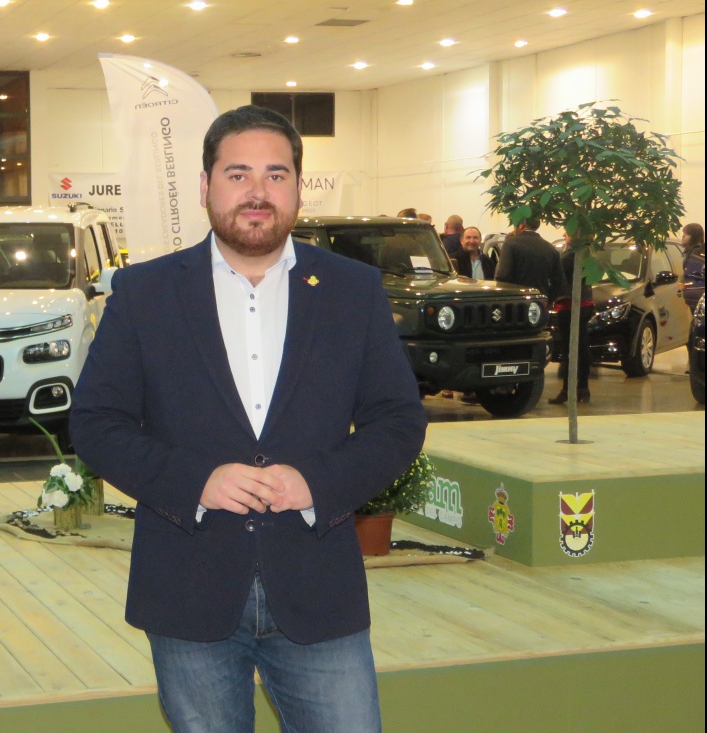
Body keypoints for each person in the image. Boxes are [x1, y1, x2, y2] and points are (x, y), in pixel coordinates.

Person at [69, 105, 427, 733]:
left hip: (318, 591)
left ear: (296, 186)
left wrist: (317, 482)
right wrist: (195, 480)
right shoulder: (144, 295)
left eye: (276, 174)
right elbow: (98, 422)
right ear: (205, 185)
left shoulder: (353, 290)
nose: (258, 192)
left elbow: (397, 420)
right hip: (189, 591)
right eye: (238, 174)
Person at [551, 238, 594, 404]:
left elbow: (559, 275)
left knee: (572, 348)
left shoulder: (573, 254)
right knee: (580, 347)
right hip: (582, 303)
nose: (564, 233)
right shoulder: (585, 252)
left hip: (572, 304)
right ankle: (580, 388)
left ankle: (569, 390)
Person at [495, 218, 566, 300]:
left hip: (516, 302)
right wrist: (548, 300)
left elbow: (503, 276)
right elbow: (560, 284)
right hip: (539, 304)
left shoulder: (510, 244)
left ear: (521, 226)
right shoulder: (550, 249)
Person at [681, 223, 704, 310]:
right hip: (694, 297)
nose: (683, 236)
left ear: (694, 236)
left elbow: (694, 275)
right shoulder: (691, 251)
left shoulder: (696, 253)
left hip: (697, 297)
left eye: (687, 234)